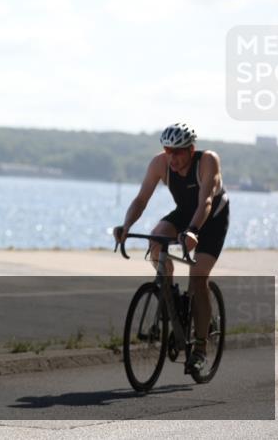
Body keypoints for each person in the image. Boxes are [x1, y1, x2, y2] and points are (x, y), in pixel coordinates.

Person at [114, 122, 229, 374]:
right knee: (156, 238)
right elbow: (141, 199)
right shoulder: (159, 163)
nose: (173, 158)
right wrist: (125, 225)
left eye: (178, 152)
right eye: (168, 150)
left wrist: (193, 231)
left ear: (191, 149)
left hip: (212, 218)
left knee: (198, 279)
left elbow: (206, 201)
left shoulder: (208, 160)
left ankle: (199, 349)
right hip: (185, 213)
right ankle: (171, 293)